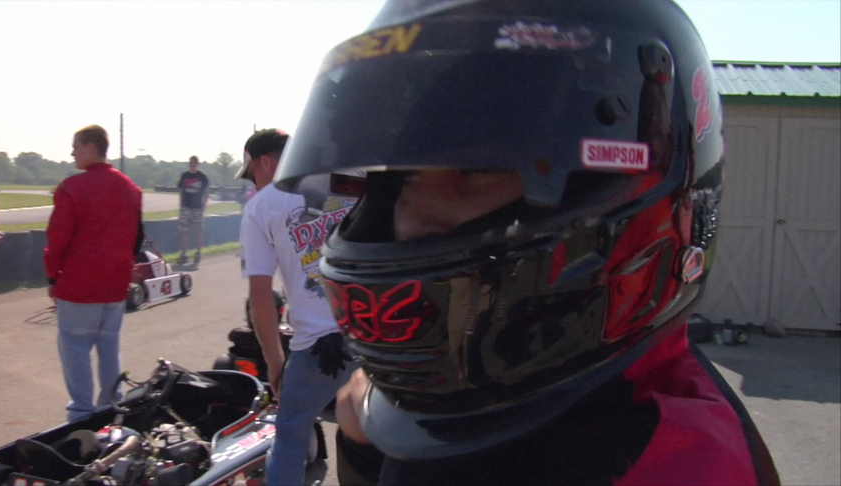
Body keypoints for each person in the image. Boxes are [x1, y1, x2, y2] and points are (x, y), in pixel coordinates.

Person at [271, 1, 781, 485]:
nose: (412, 220)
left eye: (477, 171)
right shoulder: (455, 403)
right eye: (405, 181)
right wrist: (366, 448)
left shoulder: (680, 460)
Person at [237, 128, 358, 485]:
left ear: (265, 162)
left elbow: (260, 296)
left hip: (316, 348)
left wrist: (275, 362)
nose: (254, 184)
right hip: (371, 334)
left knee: (290, 435)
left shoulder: (260, 207)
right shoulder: (348, 181)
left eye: (252, 174)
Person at [44, 125, 143, 422]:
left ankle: (81, 411)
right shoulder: (130, 188)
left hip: (79, 283)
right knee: (109, 345)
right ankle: (111, 406)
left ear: (91, 147)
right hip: (115, 283)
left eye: (76, 146)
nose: (72, 152)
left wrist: (52, 277)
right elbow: (137, 236)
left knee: (75, 347)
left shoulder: (72, 188)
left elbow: (58, 238)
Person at [176, 155, 209, 265]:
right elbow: (181, 192)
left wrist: (203, 207)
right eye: (191, 163)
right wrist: (181, 205)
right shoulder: (185, 176)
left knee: (197, 231)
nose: (192, 165)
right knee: (183, 231)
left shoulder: (202, 177)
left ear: (197, 164)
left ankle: (198, 253)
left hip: (197, 207)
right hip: (186, 207)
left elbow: (206, 193)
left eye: (194, 163)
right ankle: (184, 254)